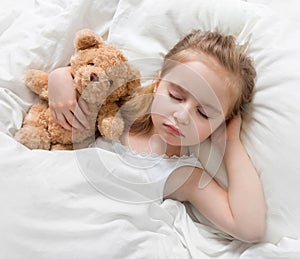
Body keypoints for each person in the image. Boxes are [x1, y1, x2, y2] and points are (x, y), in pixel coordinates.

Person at [48, 30, 266, 243]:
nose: (181, 116)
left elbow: (250, 228)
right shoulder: (119, 111)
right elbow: (88, 76)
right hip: (59, 202)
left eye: (204, 113)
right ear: (158, 84)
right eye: (176, 96)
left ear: (220, 123)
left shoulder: (184, 174)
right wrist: (60, 77)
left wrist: (230, 143)